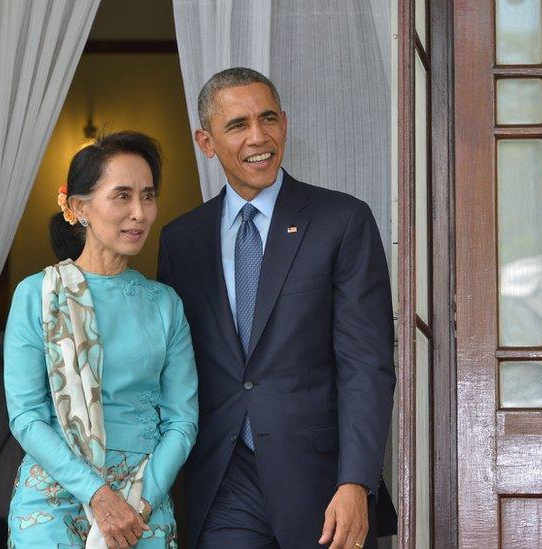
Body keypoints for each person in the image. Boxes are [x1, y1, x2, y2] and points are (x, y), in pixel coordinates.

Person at [158, 68, 396, 549]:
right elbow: (172, 367)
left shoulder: (342, 221)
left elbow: (366, 364)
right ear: (206, 141)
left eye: (268, 118)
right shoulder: (181, 241)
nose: (258, 137)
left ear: (285, 123)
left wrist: (356, 483)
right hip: (223, 478)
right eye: (238, 124)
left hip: (322, 482)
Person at [4, 131, 198, 548]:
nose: (139, 213)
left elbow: (182, 420)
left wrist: (139, 504)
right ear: (79, 207)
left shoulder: (165, 305)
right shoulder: (38, 295)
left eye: (147, 196)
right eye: (122, 196)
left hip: (143, 505)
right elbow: (26, 416)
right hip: (54, 501)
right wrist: (97, 493)